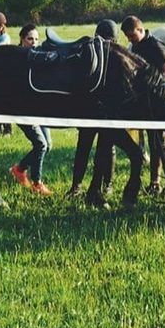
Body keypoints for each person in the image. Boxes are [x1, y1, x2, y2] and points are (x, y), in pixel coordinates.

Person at [121, 15, 165, 194]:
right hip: (143, 102)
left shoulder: (156, 46)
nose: (130, 40)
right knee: (153, 143)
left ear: (140, 29)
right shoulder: (136, 46)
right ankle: (155, 183)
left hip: (158, 103)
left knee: (161, 142)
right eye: (128, 37)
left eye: (132, 36)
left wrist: (163, 97)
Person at [68, 19, 122, 198]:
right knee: (99, 148)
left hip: (93, 109)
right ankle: (100, 185)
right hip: (98, 110)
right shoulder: (113, 56)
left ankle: (87, 185)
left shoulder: (90, 53)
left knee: (87, 147)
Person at [9, 24, 53, 195]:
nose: (33, 43)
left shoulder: (38, 56)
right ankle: (37, 183)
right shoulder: (16, 58)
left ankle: (19, 169)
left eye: (36, 39)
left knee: (47, 145)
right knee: (41, 144)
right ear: (21, 39)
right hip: (22, 109)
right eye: (29, 39)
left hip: (39, 108)